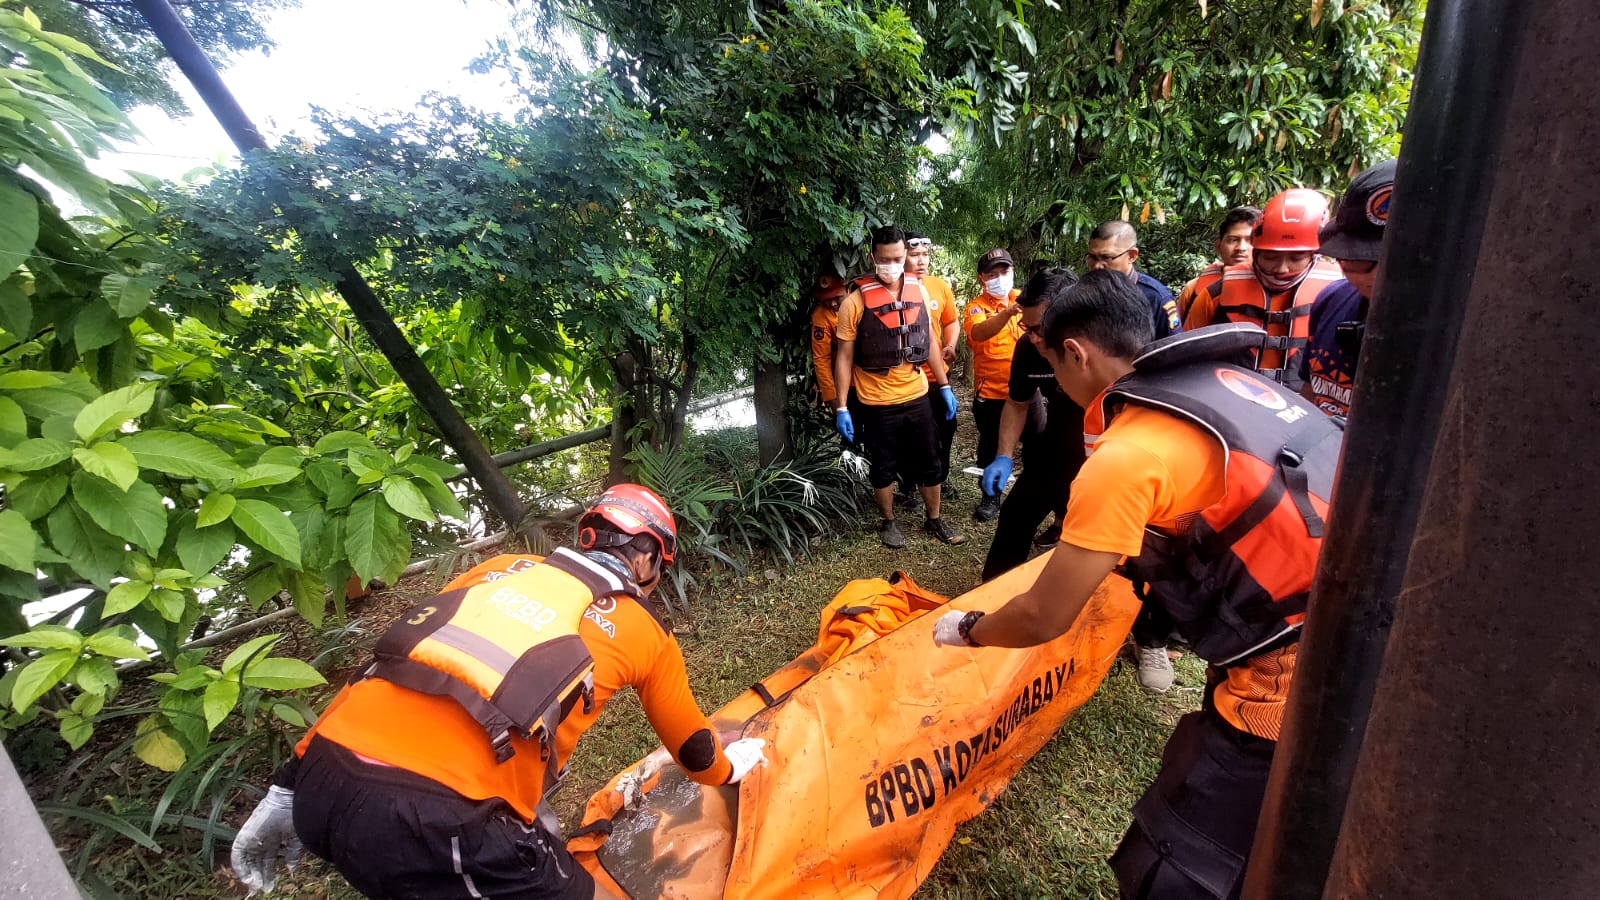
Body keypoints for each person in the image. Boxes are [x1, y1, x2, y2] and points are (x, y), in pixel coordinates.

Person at [936, 270, 1341, 899]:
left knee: (1179, 862)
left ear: (1075, 353)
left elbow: (1045, 616)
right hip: (1355, 608)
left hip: (1295, 672)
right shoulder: (1227, 383)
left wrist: (971, 630)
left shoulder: (1127, 456)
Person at [230, 485, 770, 899]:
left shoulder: (494, 570)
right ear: (650, 558)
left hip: (320, 784)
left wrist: (290, 782)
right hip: (440, 822)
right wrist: (729, 770)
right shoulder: (643, 629)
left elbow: (392, 663)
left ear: (586, 534)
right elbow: (694, 749)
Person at [834, 225, 966, 548]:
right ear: (872, 257)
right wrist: (841, 406)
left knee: (931, 460)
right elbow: (844, 358)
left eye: (897, 257)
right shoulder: (854, 303)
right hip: (876, 401)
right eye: (884, 259)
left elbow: (931, 341)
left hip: (918, 394)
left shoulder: (918, 292)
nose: (891, 265)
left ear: (904, 254)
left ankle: (934, 518)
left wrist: (945, 385)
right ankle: (889, 522)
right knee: (883, 466)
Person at [1183, 189, 1345, 391]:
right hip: (1228, 405)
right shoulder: (1217, 292)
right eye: (1270, 257)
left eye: (1296, 258)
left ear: (1314, 255)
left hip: (1303, 409)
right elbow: (1184, 359)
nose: (1281, 268)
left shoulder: (1336, 297)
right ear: (1257, 249)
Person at [977, 268, 1080, 580]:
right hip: (1058, 439)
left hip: (1106, 450)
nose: (1033, 337)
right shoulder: (1029, 347)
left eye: (1040, 329)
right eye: (1027, 327)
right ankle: (992, 590)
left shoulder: (1107, 347)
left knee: (1086, 535)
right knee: (1015, 516)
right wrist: (1004, 455)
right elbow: (1017, 402)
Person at [1302, 160, 1396, 418]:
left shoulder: (1459, 336)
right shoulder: (1332, 300)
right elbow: (1310, 396)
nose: (1356, 274)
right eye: (1349, 261)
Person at [963, 247, 1026, 521]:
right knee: (991, 447)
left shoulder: (1026, 299)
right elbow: (978, 333)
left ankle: (1029, 494)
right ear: (982, 278)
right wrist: (1008, 313)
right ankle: (991, 497)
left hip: (1027, 392)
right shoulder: (976, 307)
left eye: (1005, 271)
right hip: (991, 393)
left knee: (1036, 445)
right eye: (993, 273)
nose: (1000, 277)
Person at [906, 232, 962, 498]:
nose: (921, 261)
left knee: (946, 429)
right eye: (914, 255)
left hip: (938, 376)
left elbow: (951, 321)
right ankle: (909, 485)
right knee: (911, 434)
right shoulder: (893, 291)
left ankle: (940, 478)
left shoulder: (938, 286)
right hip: (908, 378)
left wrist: (950, 345)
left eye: (925, 255)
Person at [1084, 220, 1183, 339]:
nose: (1097, 266)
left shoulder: (1156, 298)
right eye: (1093, 257)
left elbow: (1170, 350)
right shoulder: (1084, 292)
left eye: (1106, 257)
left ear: (1132, 255)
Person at [1175, 206, 1262, 322]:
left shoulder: (1274, 288)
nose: (1241, 248)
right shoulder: (1192, 289)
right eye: (1233, 240)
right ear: (1219, 246)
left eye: (1250, 241)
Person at [808, 271, 848, 413]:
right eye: (827, 299)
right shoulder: (821, 315)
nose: (832, 303)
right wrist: (832, 398)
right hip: (845, 379)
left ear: (848, 288)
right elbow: (821, 359)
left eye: (837, 297)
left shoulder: (862, 302)